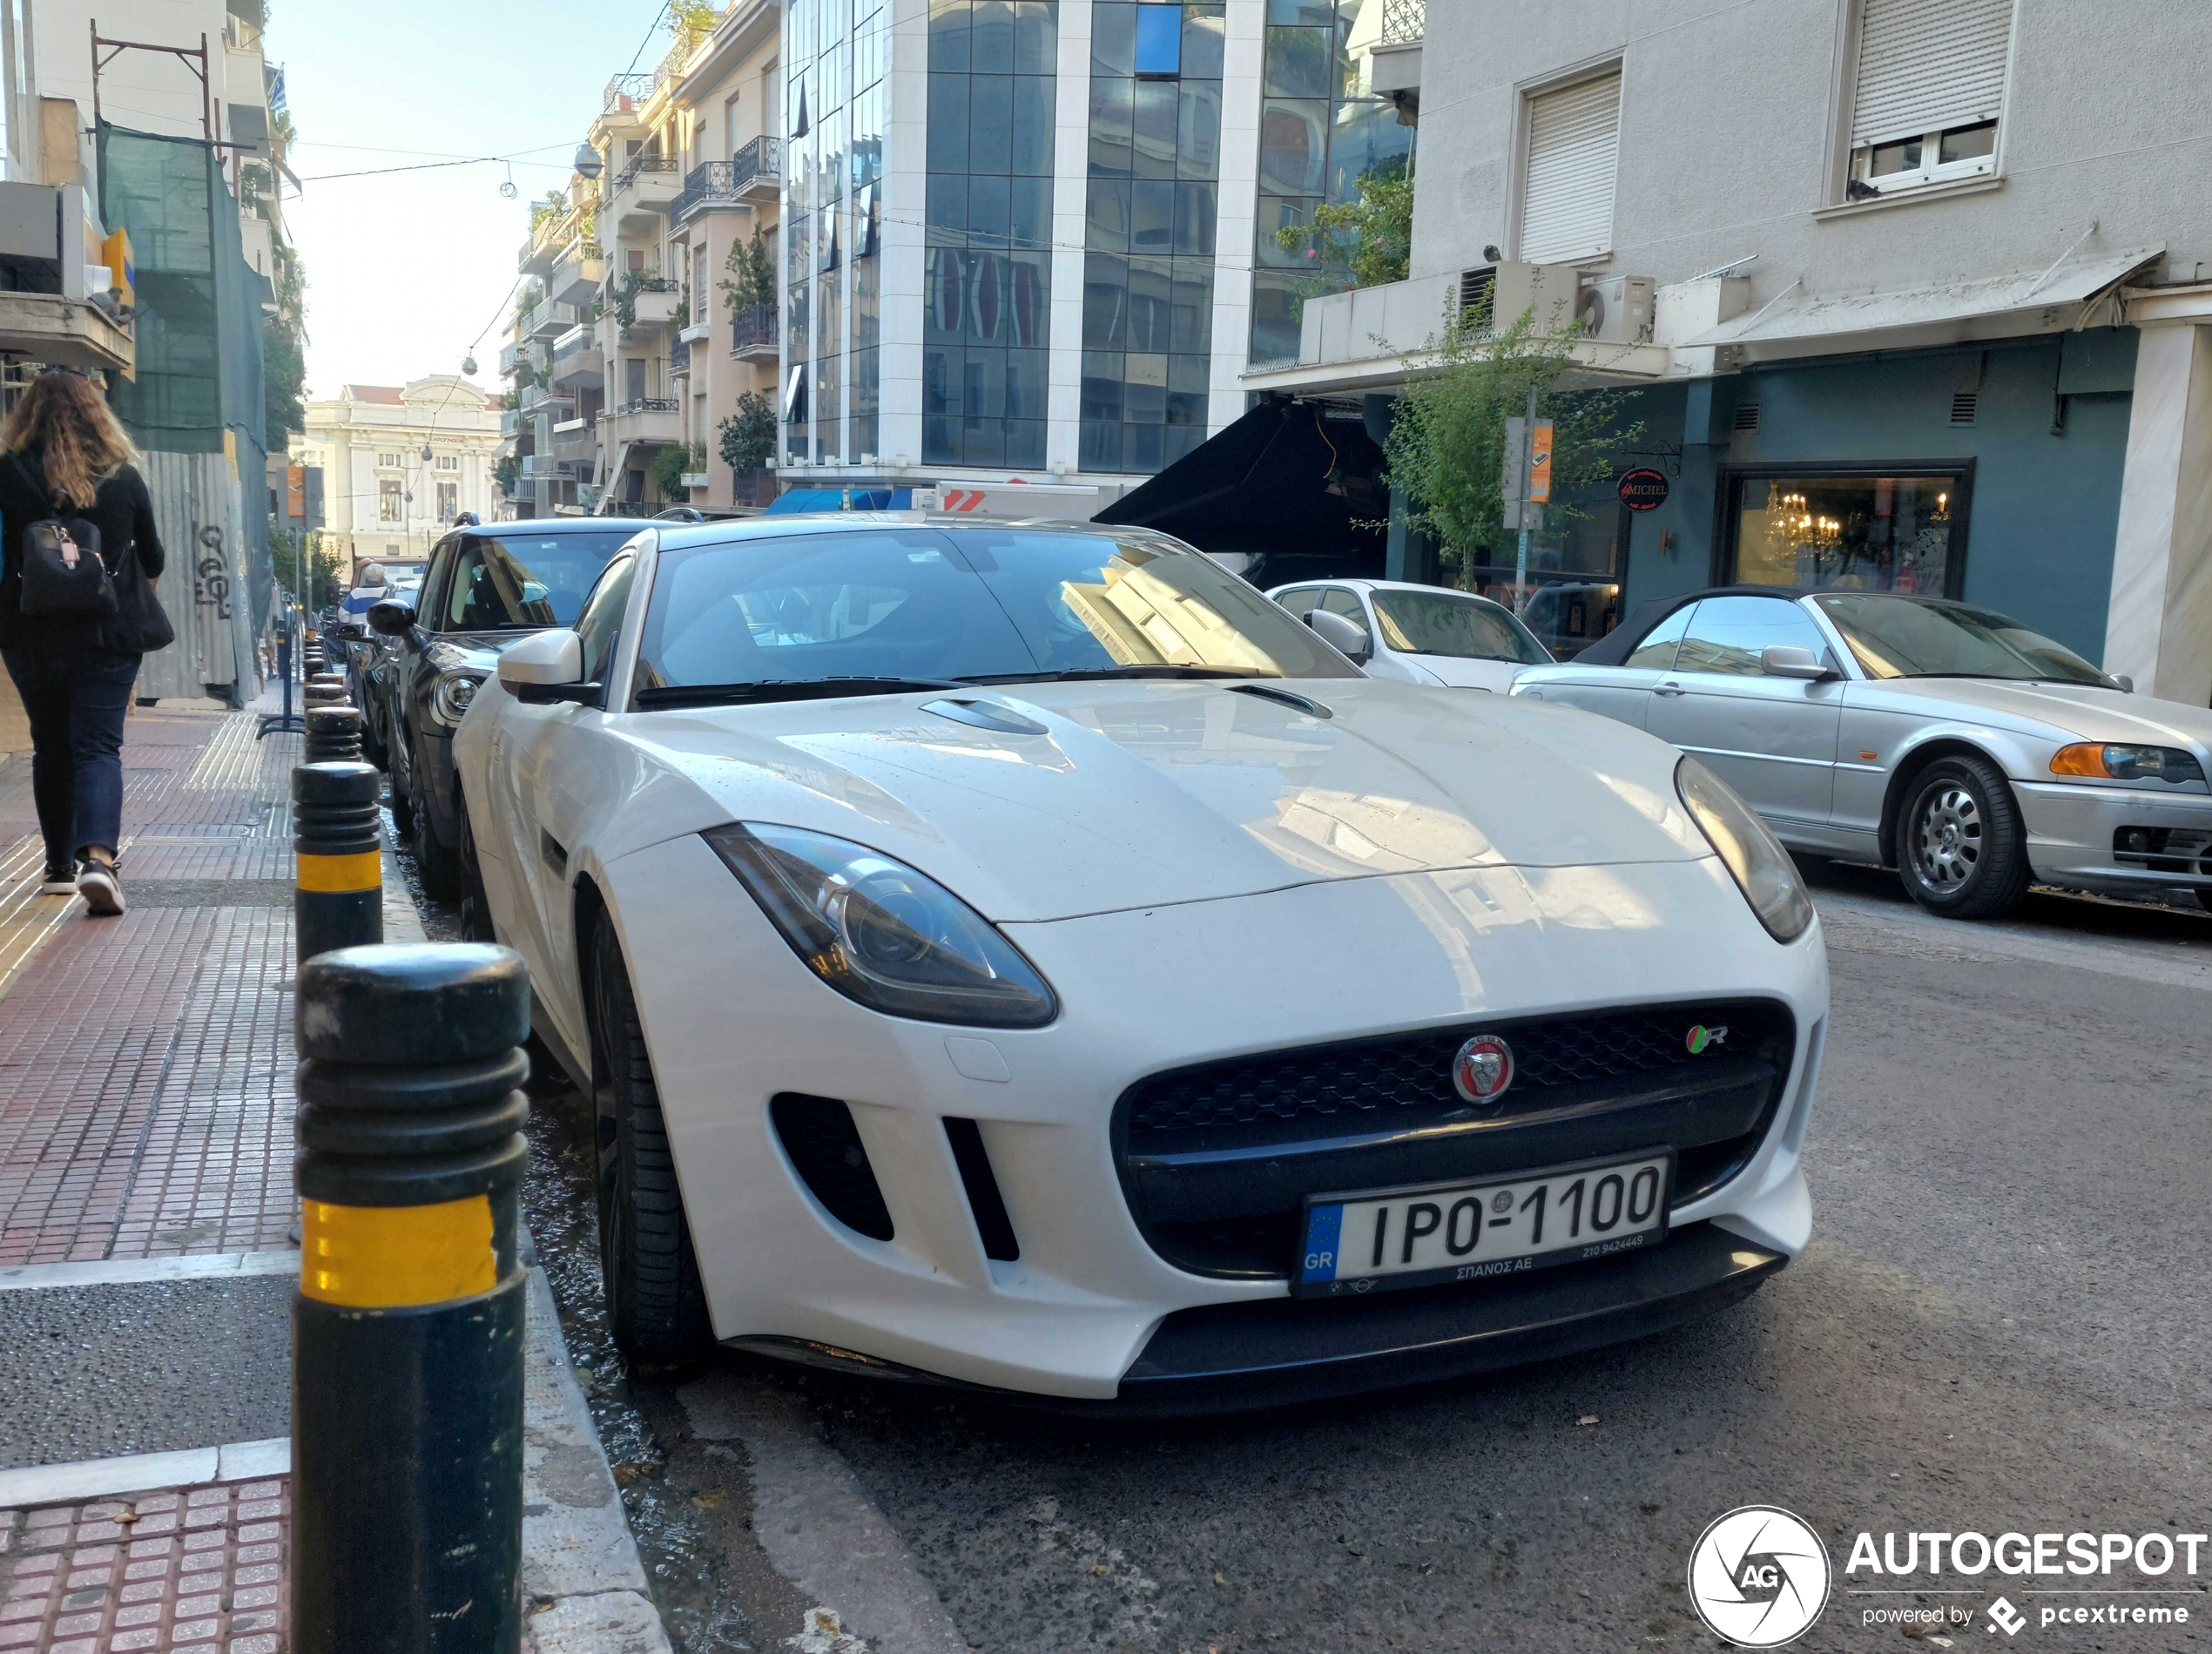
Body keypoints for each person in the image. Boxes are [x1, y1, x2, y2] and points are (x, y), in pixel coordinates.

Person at [0, 368, 172, 915]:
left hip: (28, 633)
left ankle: (56, 867)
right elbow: (154, 559)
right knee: (97, 747)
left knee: (49, 744)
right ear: (98, 415)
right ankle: (99, 860)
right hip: (107, 632)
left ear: (26, 414)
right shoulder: (123, 478)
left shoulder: (6, 473)